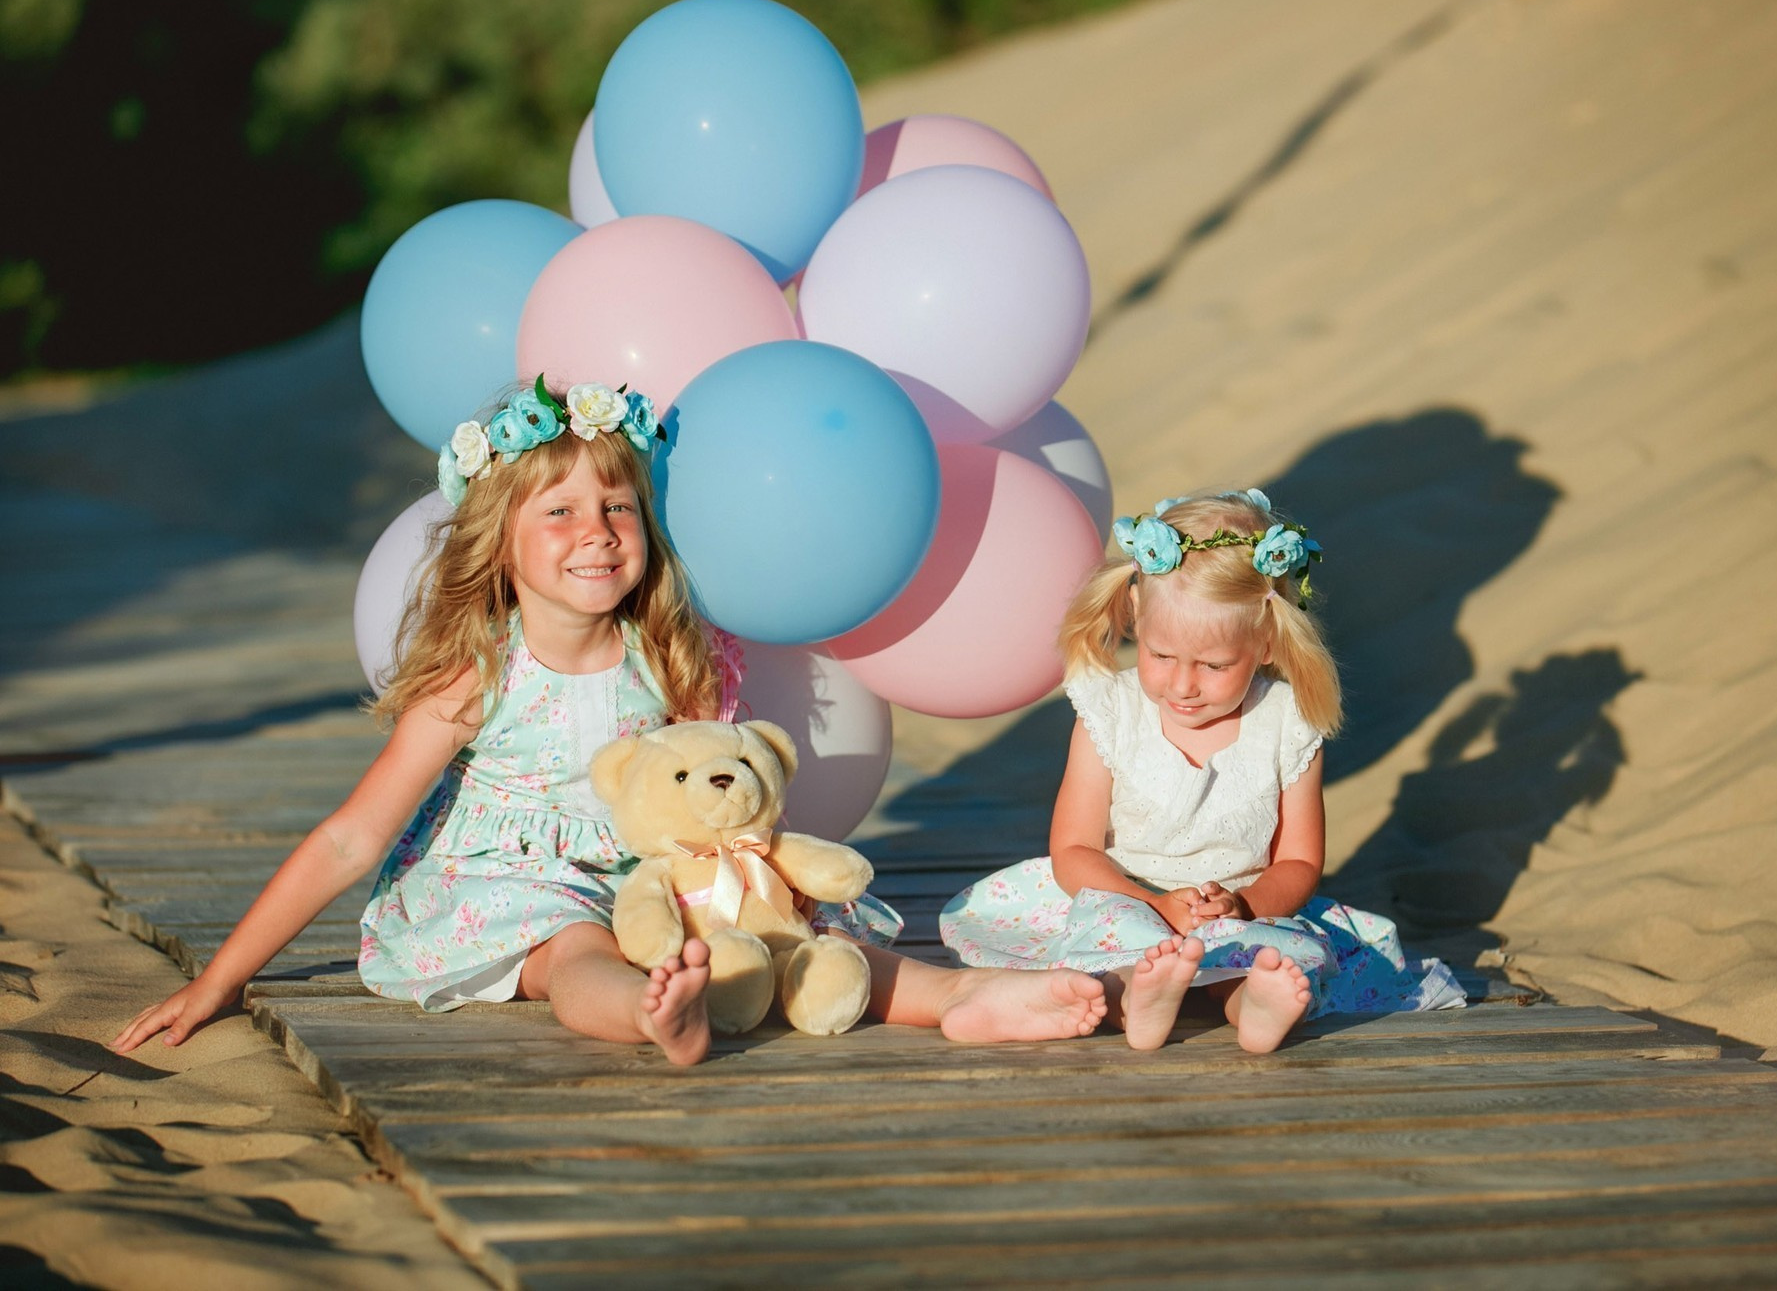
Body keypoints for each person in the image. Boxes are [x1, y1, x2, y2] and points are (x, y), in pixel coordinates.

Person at [112, 378, 1104, 1065]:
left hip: (644, 871)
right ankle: (648, 1011)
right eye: (559, 512)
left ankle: (948, 996)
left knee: (796, 924)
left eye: (618, 506)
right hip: (505, 882)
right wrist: (221, 980)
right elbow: (349, 837)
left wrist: (745, 880)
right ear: (497, 544)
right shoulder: (479, 671)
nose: (595, 530)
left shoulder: (667, 655)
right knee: (572, 951)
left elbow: (707, 800)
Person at [941, 489, 1466, 1053]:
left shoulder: (1287, 725)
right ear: (1138, 618)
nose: (1184, 685)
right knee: (1109, 950)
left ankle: (1253, 1005)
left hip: (1236, 908)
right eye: (1161, 656)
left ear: (1267, 642)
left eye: (1215, 665)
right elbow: (1074, 851)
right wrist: (1154, 905)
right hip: (1123, 896)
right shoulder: (1110, 712)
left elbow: (1299, 860)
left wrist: (1245, 907)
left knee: (1270, 955)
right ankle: (1137, 1000)